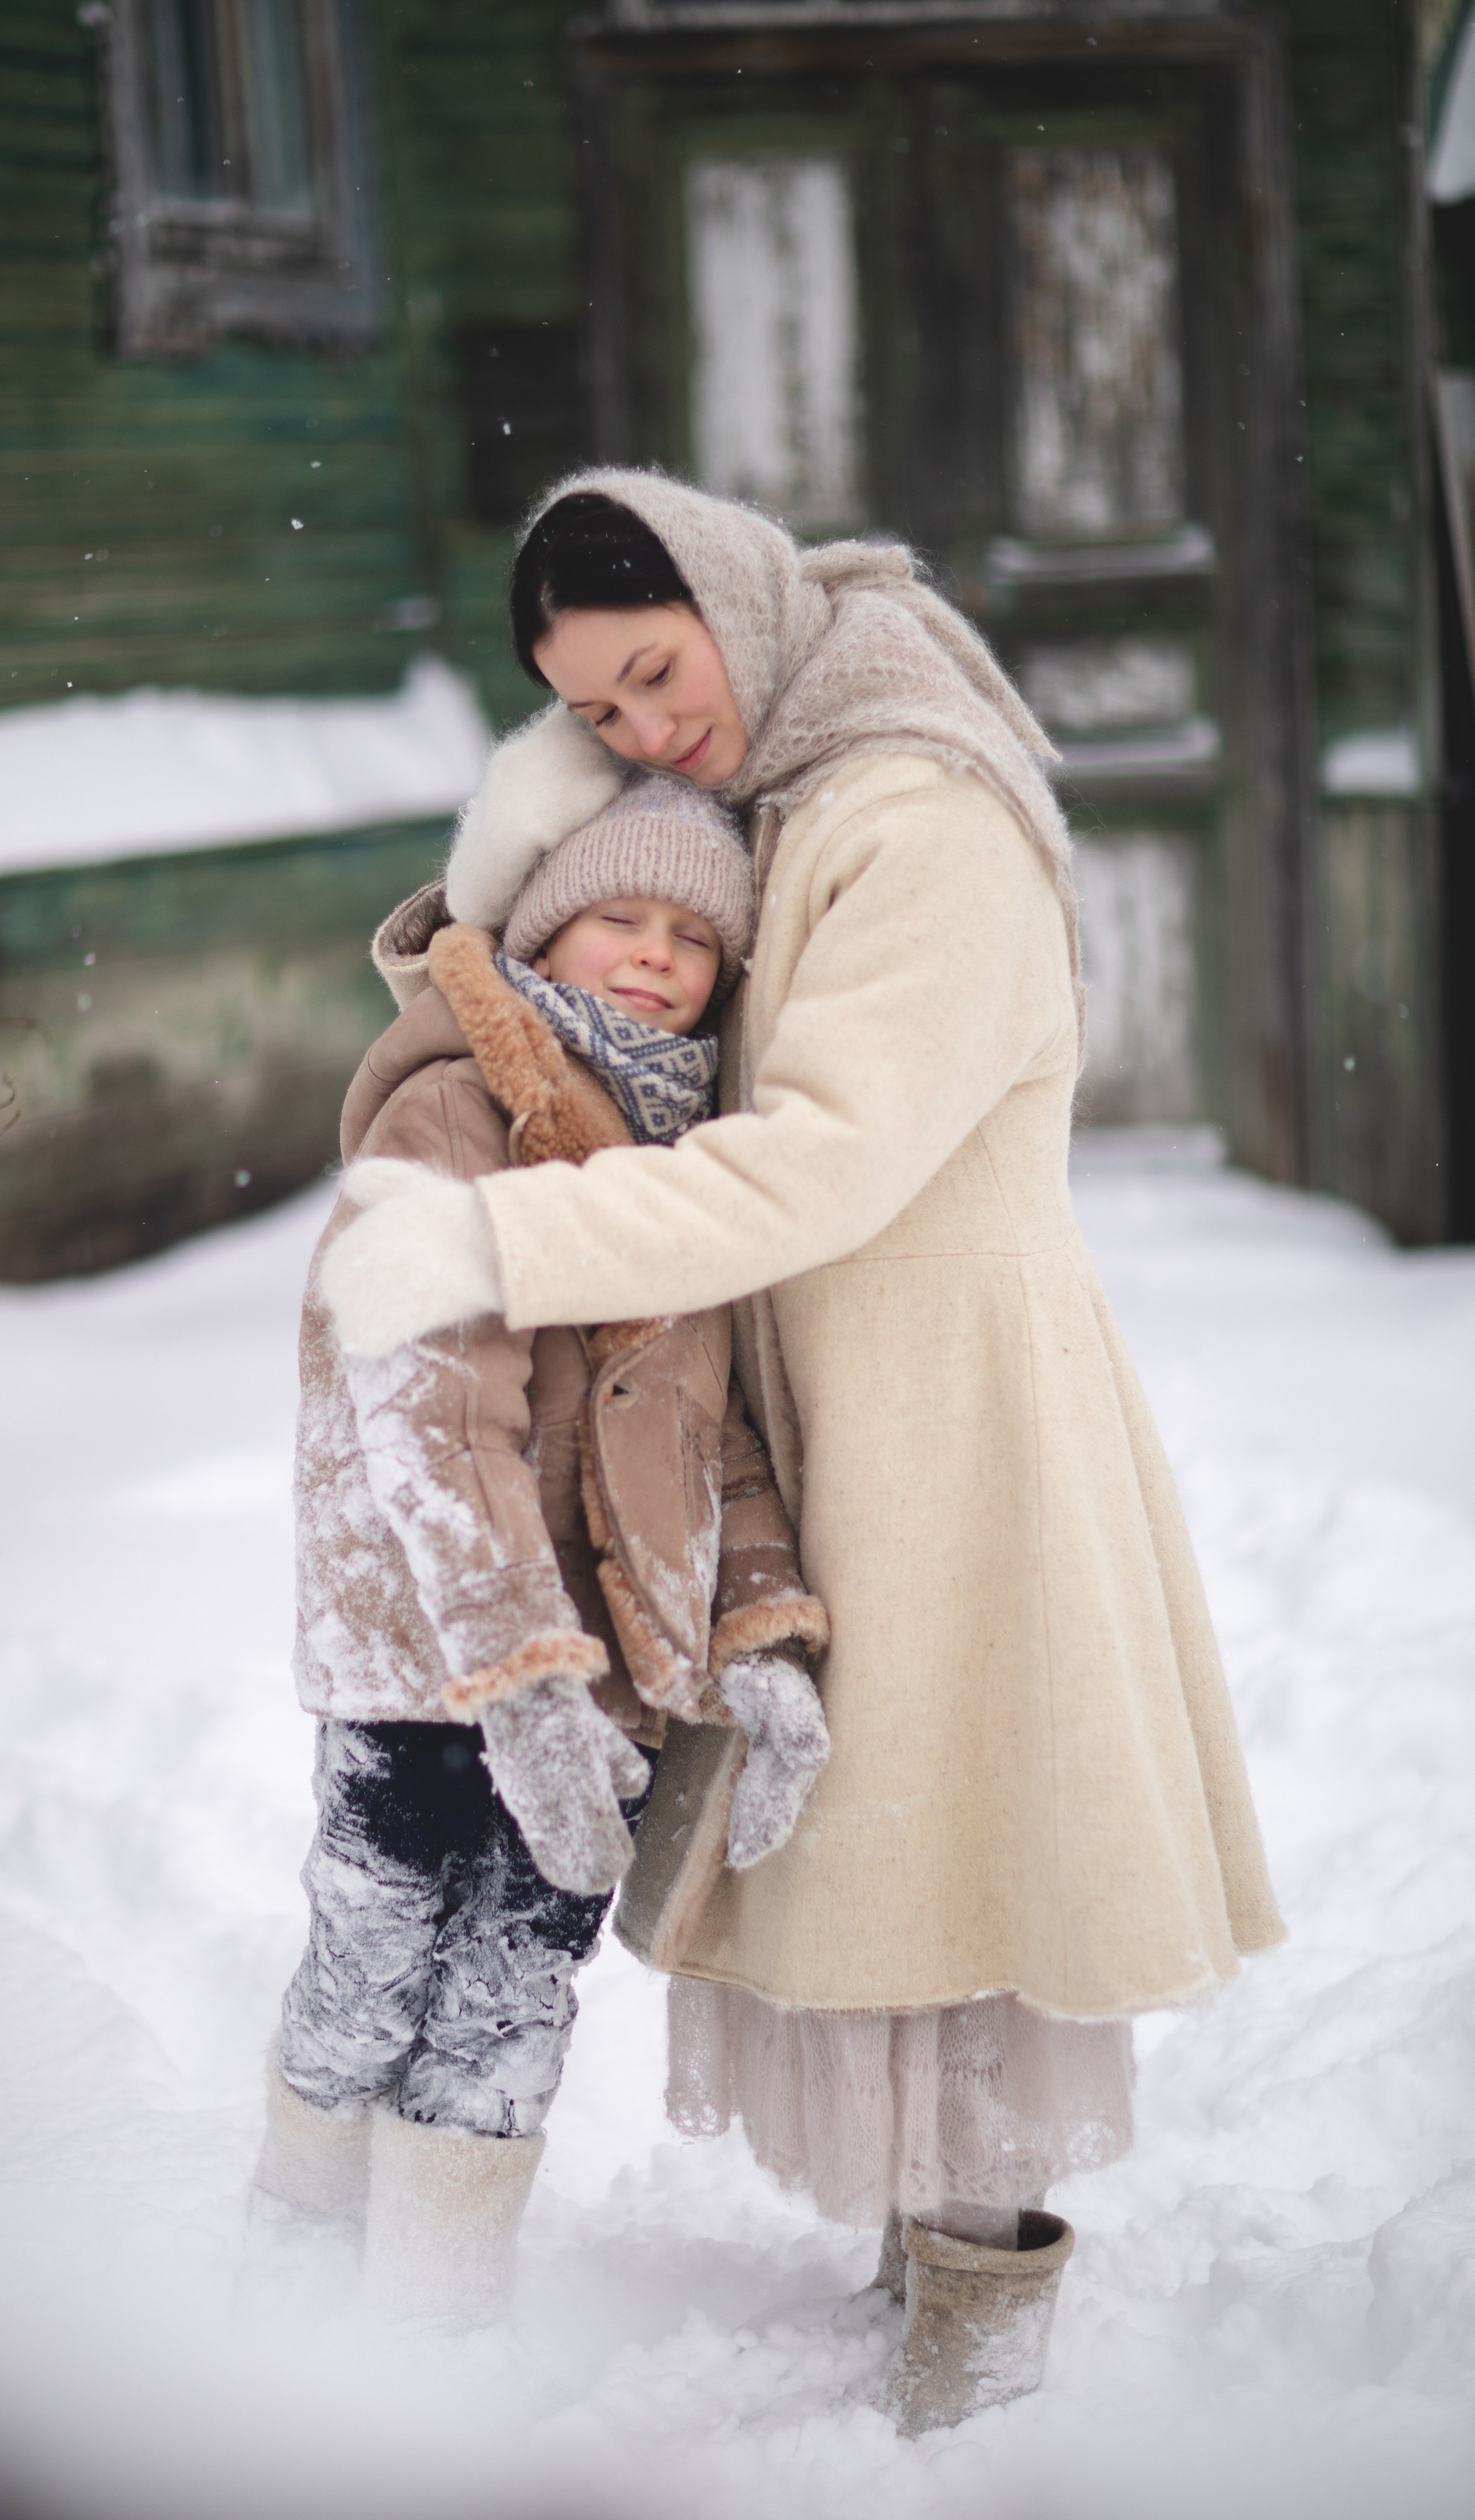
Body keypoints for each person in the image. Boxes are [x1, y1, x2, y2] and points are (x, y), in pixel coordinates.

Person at [318, 471, 1287, 2429]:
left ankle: (983, 2313)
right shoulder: (778, 802)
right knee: (882, 1840)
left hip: (948, 1407)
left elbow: (828, 1157)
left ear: (739, 611)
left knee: (973, 1841)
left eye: (658, 674)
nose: (645, 732)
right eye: (593, 714)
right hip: (820, 1387)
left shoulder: (917, 811)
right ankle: (926, 2258)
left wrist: (498, 1242)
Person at [251, 769, 831, 2332]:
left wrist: (760, 1632)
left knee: (514, 1996)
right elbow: (432, 1410)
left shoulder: (691, 1160)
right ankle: (292, 2279)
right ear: (544, 929)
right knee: (375, 1961)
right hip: (431, 1668)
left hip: (610, 1700)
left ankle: (433, 2326)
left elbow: (706, 1436)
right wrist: (518, 1675)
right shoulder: (457, 1110)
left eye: (689, 937)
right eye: (615, 918)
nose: (653, 955)